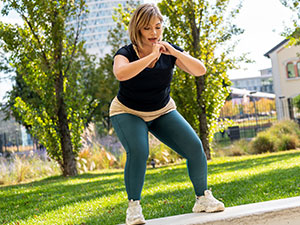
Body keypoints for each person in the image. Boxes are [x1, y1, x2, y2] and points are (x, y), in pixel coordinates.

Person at [109, 3, 225, 225]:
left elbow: (200, 70)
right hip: (127, 112)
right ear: (137, 29)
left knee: (194, 147)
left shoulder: (168, 50)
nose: (154, 33)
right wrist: (149, 58)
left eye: (158, 27)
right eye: (147, 28)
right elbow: (120, 73)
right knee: (139, 151)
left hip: (162, 110)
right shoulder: (126, 52)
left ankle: (202, 198)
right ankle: (133, 208)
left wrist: (174, 52)